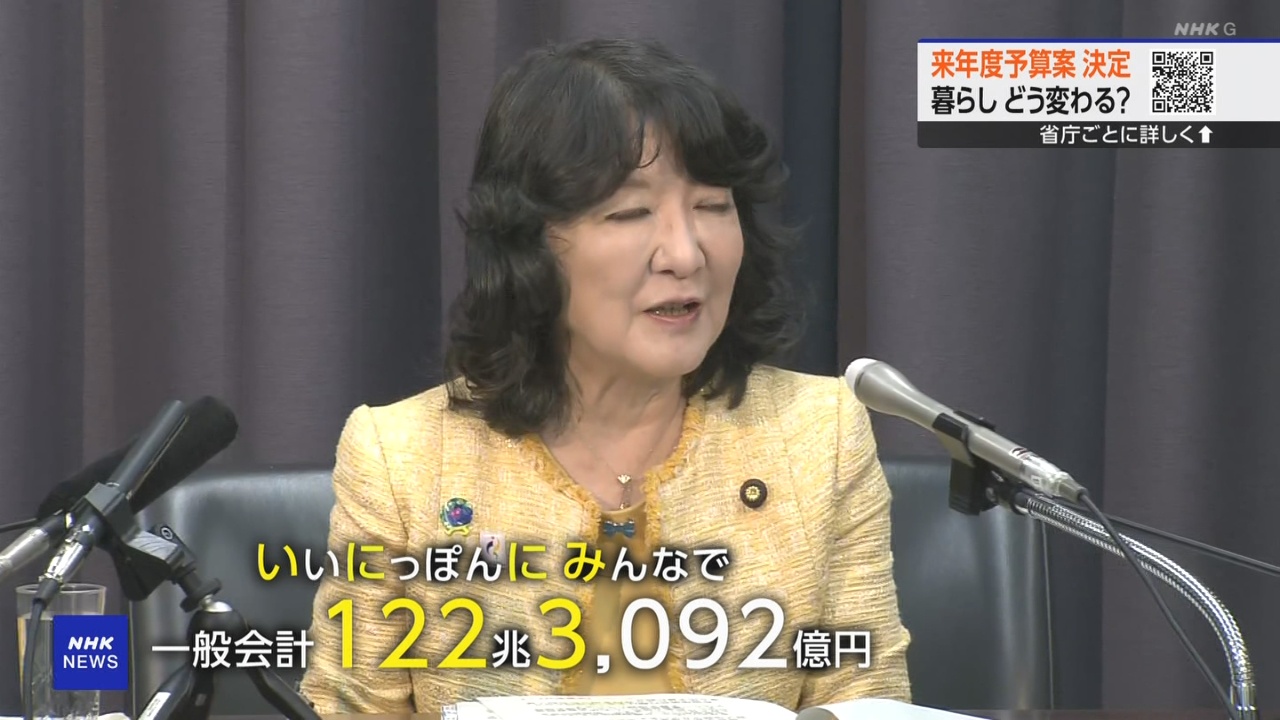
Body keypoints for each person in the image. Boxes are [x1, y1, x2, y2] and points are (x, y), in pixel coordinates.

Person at [298, 37, 911, 714]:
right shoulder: (402, 458)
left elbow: (868, 704)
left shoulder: (818, 435)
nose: (685, 254)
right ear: (530, 243)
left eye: (713, 206)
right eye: (629, 213)